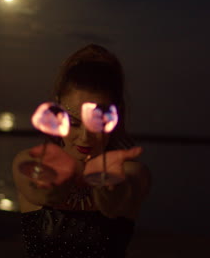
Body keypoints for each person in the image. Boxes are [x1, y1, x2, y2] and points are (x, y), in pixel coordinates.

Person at [12, 44, 151, 258]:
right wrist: (55, 181)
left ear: (116, 115)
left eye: (96, 123)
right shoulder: (31, 160)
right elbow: (44, 194)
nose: (85, 137)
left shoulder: (133, 172)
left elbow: (115, 203)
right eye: (75, 123)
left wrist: (106, 182)